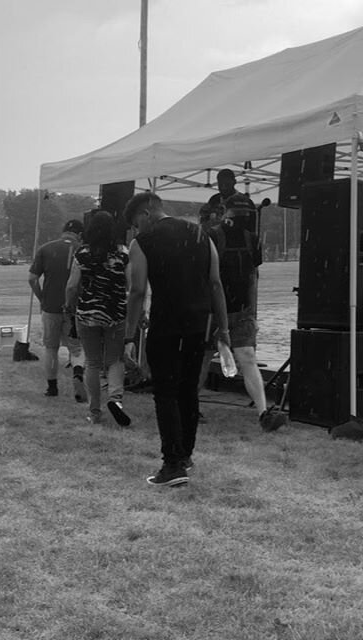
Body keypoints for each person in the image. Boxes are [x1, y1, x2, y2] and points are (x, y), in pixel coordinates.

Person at [124, 192, 230, 487]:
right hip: (199, 324)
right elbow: (216, 283)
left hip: (167, 325)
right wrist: (224, 329)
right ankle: (185, 456)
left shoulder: (142, 243)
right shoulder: (200, 234)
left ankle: (172, 464)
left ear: (145, 214)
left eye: (135, 224)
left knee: (166, 392)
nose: (136, 230)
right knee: (188, 390)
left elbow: (137, 291)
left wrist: (129, 335)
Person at [204, 193, 287, 432]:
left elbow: (253, 277)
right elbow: (209, 278)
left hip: (241, 312)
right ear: (225, 212)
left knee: (248, 358)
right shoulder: (212, 236)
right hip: (213, 311)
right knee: (203, 360)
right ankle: (189, 407)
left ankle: (264, 414)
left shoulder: (252, 240)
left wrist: (252, 313)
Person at [65, 210, 131, 426]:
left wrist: (70, 307)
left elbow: (73, 286)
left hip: (87, 314)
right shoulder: (123, 252)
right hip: (116, 314)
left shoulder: (82, 254)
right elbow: (130, 286)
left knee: (92, 362)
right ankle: (116, 398)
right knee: (115, 360)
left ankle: (94, 412)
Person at [28, 220, 86, 401]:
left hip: (50, 307)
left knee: (51, 348)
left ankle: (52, 387)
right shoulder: (83, 251)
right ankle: (77, 373)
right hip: (75, 308)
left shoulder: (45, 249)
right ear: (80, 234)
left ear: (63, 232)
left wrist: (42, 298)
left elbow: (32, 279)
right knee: (76, 348)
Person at [199, 168, 256, 233]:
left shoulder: (245, 201)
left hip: (238, 241)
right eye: (220, 184)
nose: (224, 187)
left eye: (227, 184)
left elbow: (250, 228)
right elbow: (205, 223)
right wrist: (204, 214)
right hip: (216, 240)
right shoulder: (214, 199)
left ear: (234, 182)